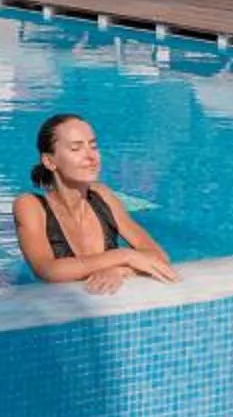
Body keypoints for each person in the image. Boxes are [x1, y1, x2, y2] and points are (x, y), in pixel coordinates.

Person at [13, 113, 178, 293]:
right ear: (49, 161)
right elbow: (48, 270)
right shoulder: (30, 205)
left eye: (93, 146)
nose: (91, 156)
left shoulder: (102, 195)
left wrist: (119, 270)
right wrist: (125, 256)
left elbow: (158, 256)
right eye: (76, 149)